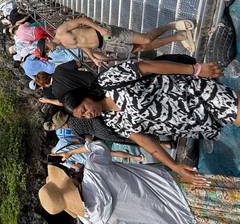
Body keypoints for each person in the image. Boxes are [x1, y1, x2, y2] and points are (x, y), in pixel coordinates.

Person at [62, 59, 240, 184]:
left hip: (192, 93)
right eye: (83, 116)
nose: (88, 115)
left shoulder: (108, 81)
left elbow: (149, 67)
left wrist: (195, 69)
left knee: (236, 113)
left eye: (84, 109)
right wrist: (173, 166)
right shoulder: (111, 121)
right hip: (194, 123)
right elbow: (143, 140)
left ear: (85, 96)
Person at [39, 142, 240, 223]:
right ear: (69, 181)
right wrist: (74, 151)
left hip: (178, 220)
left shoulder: (93, 220)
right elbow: (98, 145)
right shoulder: (94, 170)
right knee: (234, 195)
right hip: (177, 189)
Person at [51, 16, 195, 66]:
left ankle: (172, 25)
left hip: (105, 34)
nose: (50, 51)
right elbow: (82, 45)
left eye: (46, 49)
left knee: (145, 38)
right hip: (106, 45)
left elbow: (81, 20)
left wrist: (100, 29)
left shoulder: (61, 31)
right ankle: (178, 37)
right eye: (47, 53)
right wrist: (93, 57)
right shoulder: (63, 45)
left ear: (46, 41)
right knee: (142, 48)